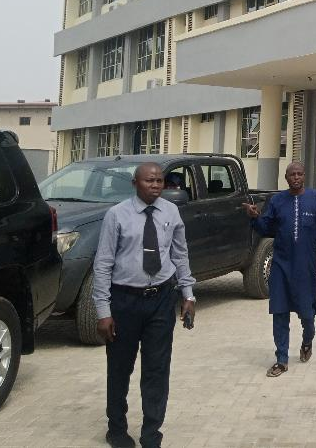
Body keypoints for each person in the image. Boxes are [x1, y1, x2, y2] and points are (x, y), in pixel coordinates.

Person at [92, 162, 196, 448]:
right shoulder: (117, 216)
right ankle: (116, 429)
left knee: (157, 369)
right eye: (149, 180)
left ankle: (152, 433)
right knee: (120, 368)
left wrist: (188, 294)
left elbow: (180, 254)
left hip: (161, 300)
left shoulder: (171, 212)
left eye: (160, 181)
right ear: (135, 183)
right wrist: (104, 312)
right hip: (124, 301)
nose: (155, 185)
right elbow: (102, 265)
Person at [243, 161, 316, 377]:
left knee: (307, 314)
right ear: (286, 177)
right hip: (281, 265)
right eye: (292, 174)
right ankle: (281, 359)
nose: (296, 177)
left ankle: (307, 340)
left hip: (306, 267)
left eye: (300, 174)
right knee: (280, 312)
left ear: (304, 176)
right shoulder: (277, 201)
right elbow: (266, 228)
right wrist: (255, 217)